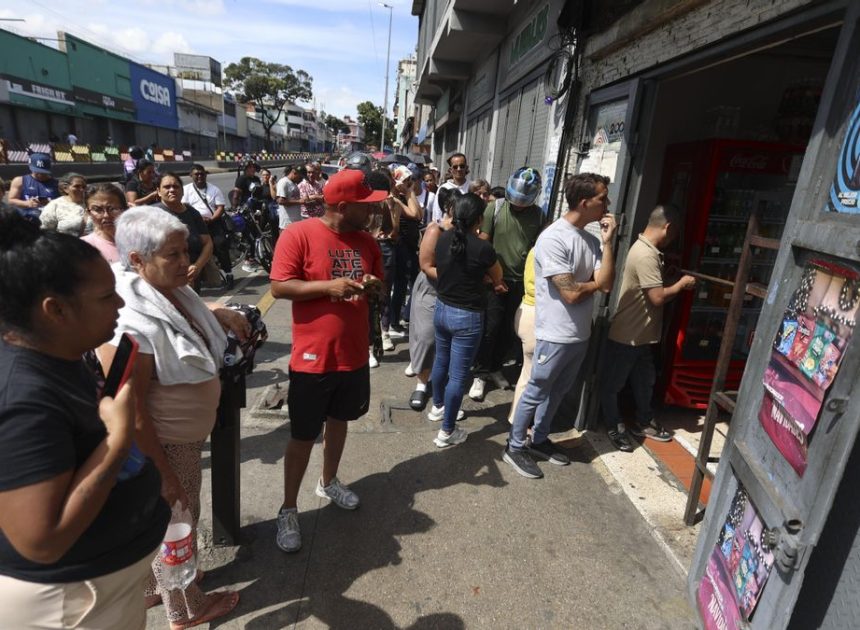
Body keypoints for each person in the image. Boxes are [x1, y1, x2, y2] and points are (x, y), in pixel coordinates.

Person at [0, 207, 169, 630]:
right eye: (105, 297)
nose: (119, 304)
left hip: (100, 592)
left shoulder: (62, 352)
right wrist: (117, 437)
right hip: (69, 605)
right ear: (54, 310)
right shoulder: (22, 398)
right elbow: (42, 540)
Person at [104, 207, 244, 628]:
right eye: (173, 254)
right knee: (177, 522)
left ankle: (153, 588)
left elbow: (188, 321)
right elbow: (131, 409)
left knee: (165, 522)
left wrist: (217, 312)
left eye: (185, 251)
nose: (187, 262)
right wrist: (164, 474)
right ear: (137, 261)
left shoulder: (168, 292)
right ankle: (185, 609)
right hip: (165, 447)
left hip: (181, 440)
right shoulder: (130, 323)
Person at [269, 169, 386, 553]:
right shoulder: (298, 234)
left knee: (340, 422)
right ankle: (288, 508)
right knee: (303, 436)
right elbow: (279, 285)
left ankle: (329, 480)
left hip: (352, 354)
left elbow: (380, 285)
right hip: (311, 358)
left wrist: (371, 285)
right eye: (365, 205)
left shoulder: (367, 240)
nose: (372, 210)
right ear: (341, 205)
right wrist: (327, 287)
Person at [503, 173, 617, 479]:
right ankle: (514, 446)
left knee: (560, 391)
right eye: (602, 198)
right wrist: (588, 284)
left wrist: (608, 244)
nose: (607, 204)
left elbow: (605, 284)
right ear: (585, 202)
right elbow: (569, 293)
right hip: (554, 332)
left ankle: (539, 439)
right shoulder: (553, 238)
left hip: (579, 334)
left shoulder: (592, 240)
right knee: (537, 390)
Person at [599, 205, 697, 451]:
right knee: (613, 386)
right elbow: (657, 298)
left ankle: (644, 421)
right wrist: (682, 284)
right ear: (668, 228)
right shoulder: (645, 255)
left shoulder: (649, 251)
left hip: (642, 336)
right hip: (628, 335)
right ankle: (614, 426)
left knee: (645, 382)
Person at [429, 193, 505, 448]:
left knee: (441, 361)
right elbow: (498, 275)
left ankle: (438, 407)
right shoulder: (483, 247)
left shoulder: (443, 238)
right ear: (479, 218)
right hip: (467, 316)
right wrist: (488, 280)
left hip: (441, 309)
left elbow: (443, 269)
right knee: (459, 376)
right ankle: (447, 431)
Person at [470, 167, 546, 401]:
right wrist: (492, 277)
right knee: (490, 328)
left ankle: (495, 367)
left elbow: (540, 249)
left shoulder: (540, 216)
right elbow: (484, 243)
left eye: (524, 201)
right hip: (494, 280)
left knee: (508, 331)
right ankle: (480, 374)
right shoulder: (496, 208)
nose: (519, 204)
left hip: (521, 283)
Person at [407, 186, 459, 410]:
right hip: (432, 288)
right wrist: (455, 277)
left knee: (446, 342)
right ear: (448, 208)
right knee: (427, 337)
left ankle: (441, 385)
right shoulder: (434, 230)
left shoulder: (466, 233)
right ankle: (421, 384)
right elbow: (426, 265)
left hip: (454, 291)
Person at [152, 173, 213, 291]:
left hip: (192, 277)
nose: (172, 190)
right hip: (165, 279)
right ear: (158, 191)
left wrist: (197, 267)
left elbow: (207, 243)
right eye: (167, 187)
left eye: (175, 186)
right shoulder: (152, 214)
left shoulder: (192, 213)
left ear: (182, 191)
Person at [182, 164, 233, 289]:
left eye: (202, 174)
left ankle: (228, 274)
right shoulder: (186, 190)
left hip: (212, 222)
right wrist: (196, 219)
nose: (200, 176)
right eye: (196, 174)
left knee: (220, 244)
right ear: (191, 176)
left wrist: (211, 219)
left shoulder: (214, 189)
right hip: (194, 225)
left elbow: (220, 207)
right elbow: (183, 207)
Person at [389, 165, 424, 340]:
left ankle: (395, 320)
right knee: (399, 285)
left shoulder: (404, 196)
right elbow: (415, 214)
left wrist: (409, 192)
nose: (409, 184)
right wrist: (408, 194)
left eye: (411, 180)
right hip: (400, 247)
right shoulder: (394, 199)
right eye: (406, 180)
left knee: (404, 286)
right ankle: (391, 322)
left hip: (409, 247)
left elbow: (419, 213)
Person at [507, 247, 537, 424]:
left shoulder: (534, 249)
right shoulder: (545, 251)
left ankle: (518, 421)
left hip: (526, 311)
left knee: (528, 373)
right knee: (530, 375)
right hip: (534, 315)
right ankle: (519, 424)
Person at [81, 183, 128, 263]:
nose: (106, 215)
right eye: (97, 209)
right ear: (88, 213)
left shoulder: (139, 239)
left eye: (112, 208)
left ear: (125, 209)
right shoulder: (84, 247)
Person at [7, 153, 60, 222]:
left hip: (50, 220)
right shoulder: (19, 181)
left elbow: (66, 202)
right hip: (26, 220)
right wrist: (27, 203)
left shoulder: (57, 184)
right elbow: (11, 200)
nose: (40, 175)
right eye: (37, 171)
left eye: (43, 172)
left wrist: (50, 203)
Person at [429, 153, 472, 223]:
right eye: (455, 167)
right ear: (450, 170)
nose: (459, 169)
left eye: (462, 166)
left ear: (466, 168)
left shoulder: (472, 187)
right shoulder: (444, 188)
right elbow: (437, 215)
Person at [275, 164, 305, 229]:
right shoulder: (284, 182)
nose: (301, 179)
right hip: (287, 223)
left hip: (295, 221)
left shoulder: (293, 183)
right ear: (294, 173)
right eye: (300, 177)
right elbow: (281, 201)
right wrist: (299, 201)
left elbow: (293, 198)